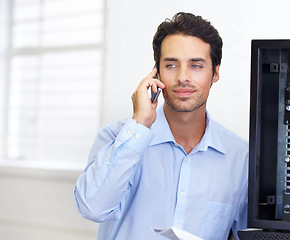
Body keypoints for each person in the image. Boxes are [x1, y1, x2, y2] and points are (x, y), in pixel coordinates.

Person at [74, 12, 248, 240]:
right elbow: (92, 208)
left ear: (214, 73)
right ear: (156, 72)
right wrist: (139, 124)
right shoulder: (117, 137)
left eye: (196, 65)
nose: (183, 77)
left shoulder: (241, 158)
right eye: (171, 64)